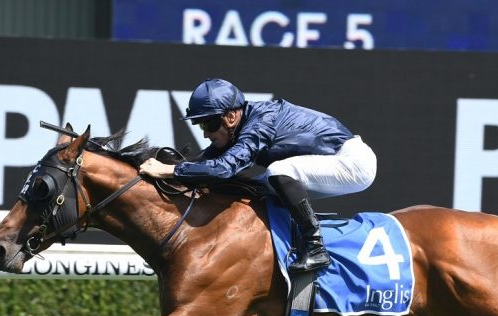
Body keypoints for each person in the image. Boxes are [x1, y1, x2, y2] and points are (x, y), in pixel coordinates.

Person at [139, 78, 377, 273]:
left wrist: (170, 170)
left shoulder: (261, 122)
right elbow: (204, 163)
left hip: (353, 163)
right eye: (200, 126)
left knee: (278, 172)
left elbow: (223, 168)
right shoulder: (241, 124)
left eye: (208, 125)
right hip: (333, 162)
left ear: (231, 117)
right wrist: (165, 169)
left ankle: (316, 248)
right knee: (253, 189)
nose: (205, 134)